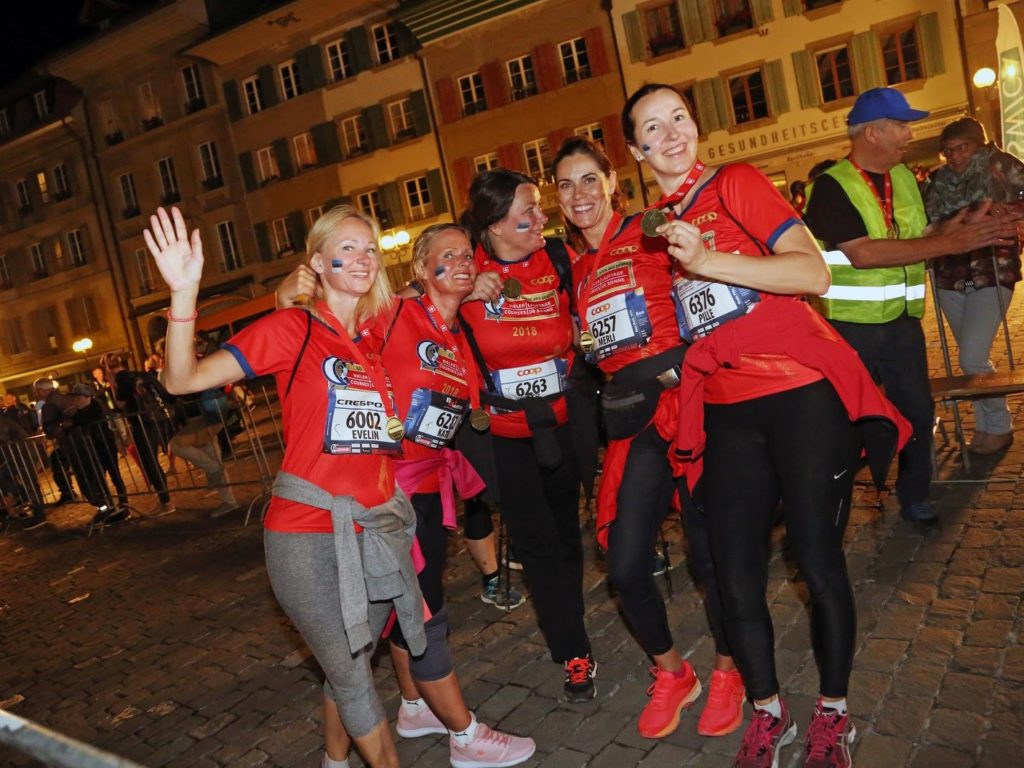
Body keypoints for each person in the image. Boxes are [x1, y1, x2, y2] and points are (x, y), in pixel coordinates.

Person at [146, 205, 531, 768]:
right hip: (307, 534)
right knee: (353, 677)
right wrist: (184, 295)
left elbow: (431, 306)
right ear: (318, 263)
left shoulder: (373, 344)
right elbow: (182, 380)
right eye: (345, 249)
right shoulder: (291, 330)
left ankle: (334, 761)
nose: (362, 258)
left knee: (351, 658)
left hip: (377, 530)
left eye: (369, 248)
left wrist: (471, 289)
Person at [624, 82, 912, 767]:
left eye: (679, 119)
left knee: (816, 559)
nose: (671, 135)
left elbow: (813, 274)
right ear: (636, 152)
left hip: (800, 397)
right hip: (726, 412)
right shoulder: (655, 226)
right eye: (652, 129)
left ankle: (834, 715)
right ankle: (767, 711)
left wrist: (708, 261)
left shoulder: (737, 182)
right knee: (732, 573)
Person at [553, 135, 742, 739]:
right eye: (565, 184)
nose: (579, 194)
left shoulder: (653, 230)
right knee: (627, 562)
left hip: (690, 404)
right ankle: (672, 672)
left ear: (612, 182)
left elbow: (707, 287)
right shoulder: (573, 265)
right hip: (635, 423)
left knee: (712, 556)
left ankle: (729, 669)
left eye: (589, 179)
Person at [804, 88, 1020, 524]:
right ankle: (826, 507)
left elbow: (917, 232)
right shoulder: (830, 187)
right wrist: (948, 242)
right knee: (845, 424)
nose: (909, 133)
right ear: (872, 133)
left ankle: (915, 494)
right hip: (851, 329)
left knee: (918, 413)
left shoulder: (903, 177)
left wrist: (956, 225)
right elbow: (862, 253)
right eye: (901, 125)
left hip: (902, 324)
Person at [459, 169, 596, 702]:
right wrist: (464, 289)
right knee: (537, 543)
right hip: (503, 433)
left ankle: (572, 624)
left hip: (561, 422)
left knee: (566, 534)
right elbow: (411, 306)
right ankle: (575, 649)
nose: (542, 217)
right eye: (528, 212)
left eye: (540, 207)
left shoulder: (559, 258)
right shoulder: (466, 270)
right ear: (493, 225)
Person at [923, 116, 1024, 454]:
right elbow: (926, 222)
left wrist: (1005, 209)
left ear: (977, 144)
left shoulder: (1002, 166)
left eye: (961, 148)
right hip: (954, 276)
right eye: (947, 151)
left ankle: (998, 425)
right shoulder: (937, 181)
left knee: (971, 356)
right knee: (967, 356)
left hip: (992, 271)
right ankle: (984, 426)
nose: (953, 157)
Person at [105, 353, 174, 514]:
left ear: (109, 368)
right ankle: (165, 499)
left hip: (142, 423)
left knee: (149, 462)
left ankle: (166, 501)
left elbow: (120, 403)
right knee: (153, 461)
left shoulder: (121, 379)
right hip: (158, 419)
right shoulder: (139, 374)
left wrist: (113, 384)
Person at [65, 383, 129, 524]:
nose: (75, 401)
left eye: (77, 398)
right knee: (102, 476)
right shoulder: (88, 408)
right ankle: (111, 506)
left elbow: (78, 419)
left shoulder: (94, 407)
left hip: (104, 444)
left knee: (112, 473)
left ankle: (122, 504)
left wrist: (68, 422)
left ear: (86, 397)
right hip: (98, 444)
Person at [33, 377, 75, 507]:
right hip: (77, 439)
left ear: (40, 391)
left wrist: (49, 431)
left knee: (58, 466)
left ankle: (68, 493)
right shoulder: (67, 397)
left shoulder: (49, 404)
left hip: (67, 441)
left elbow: (50, 429)